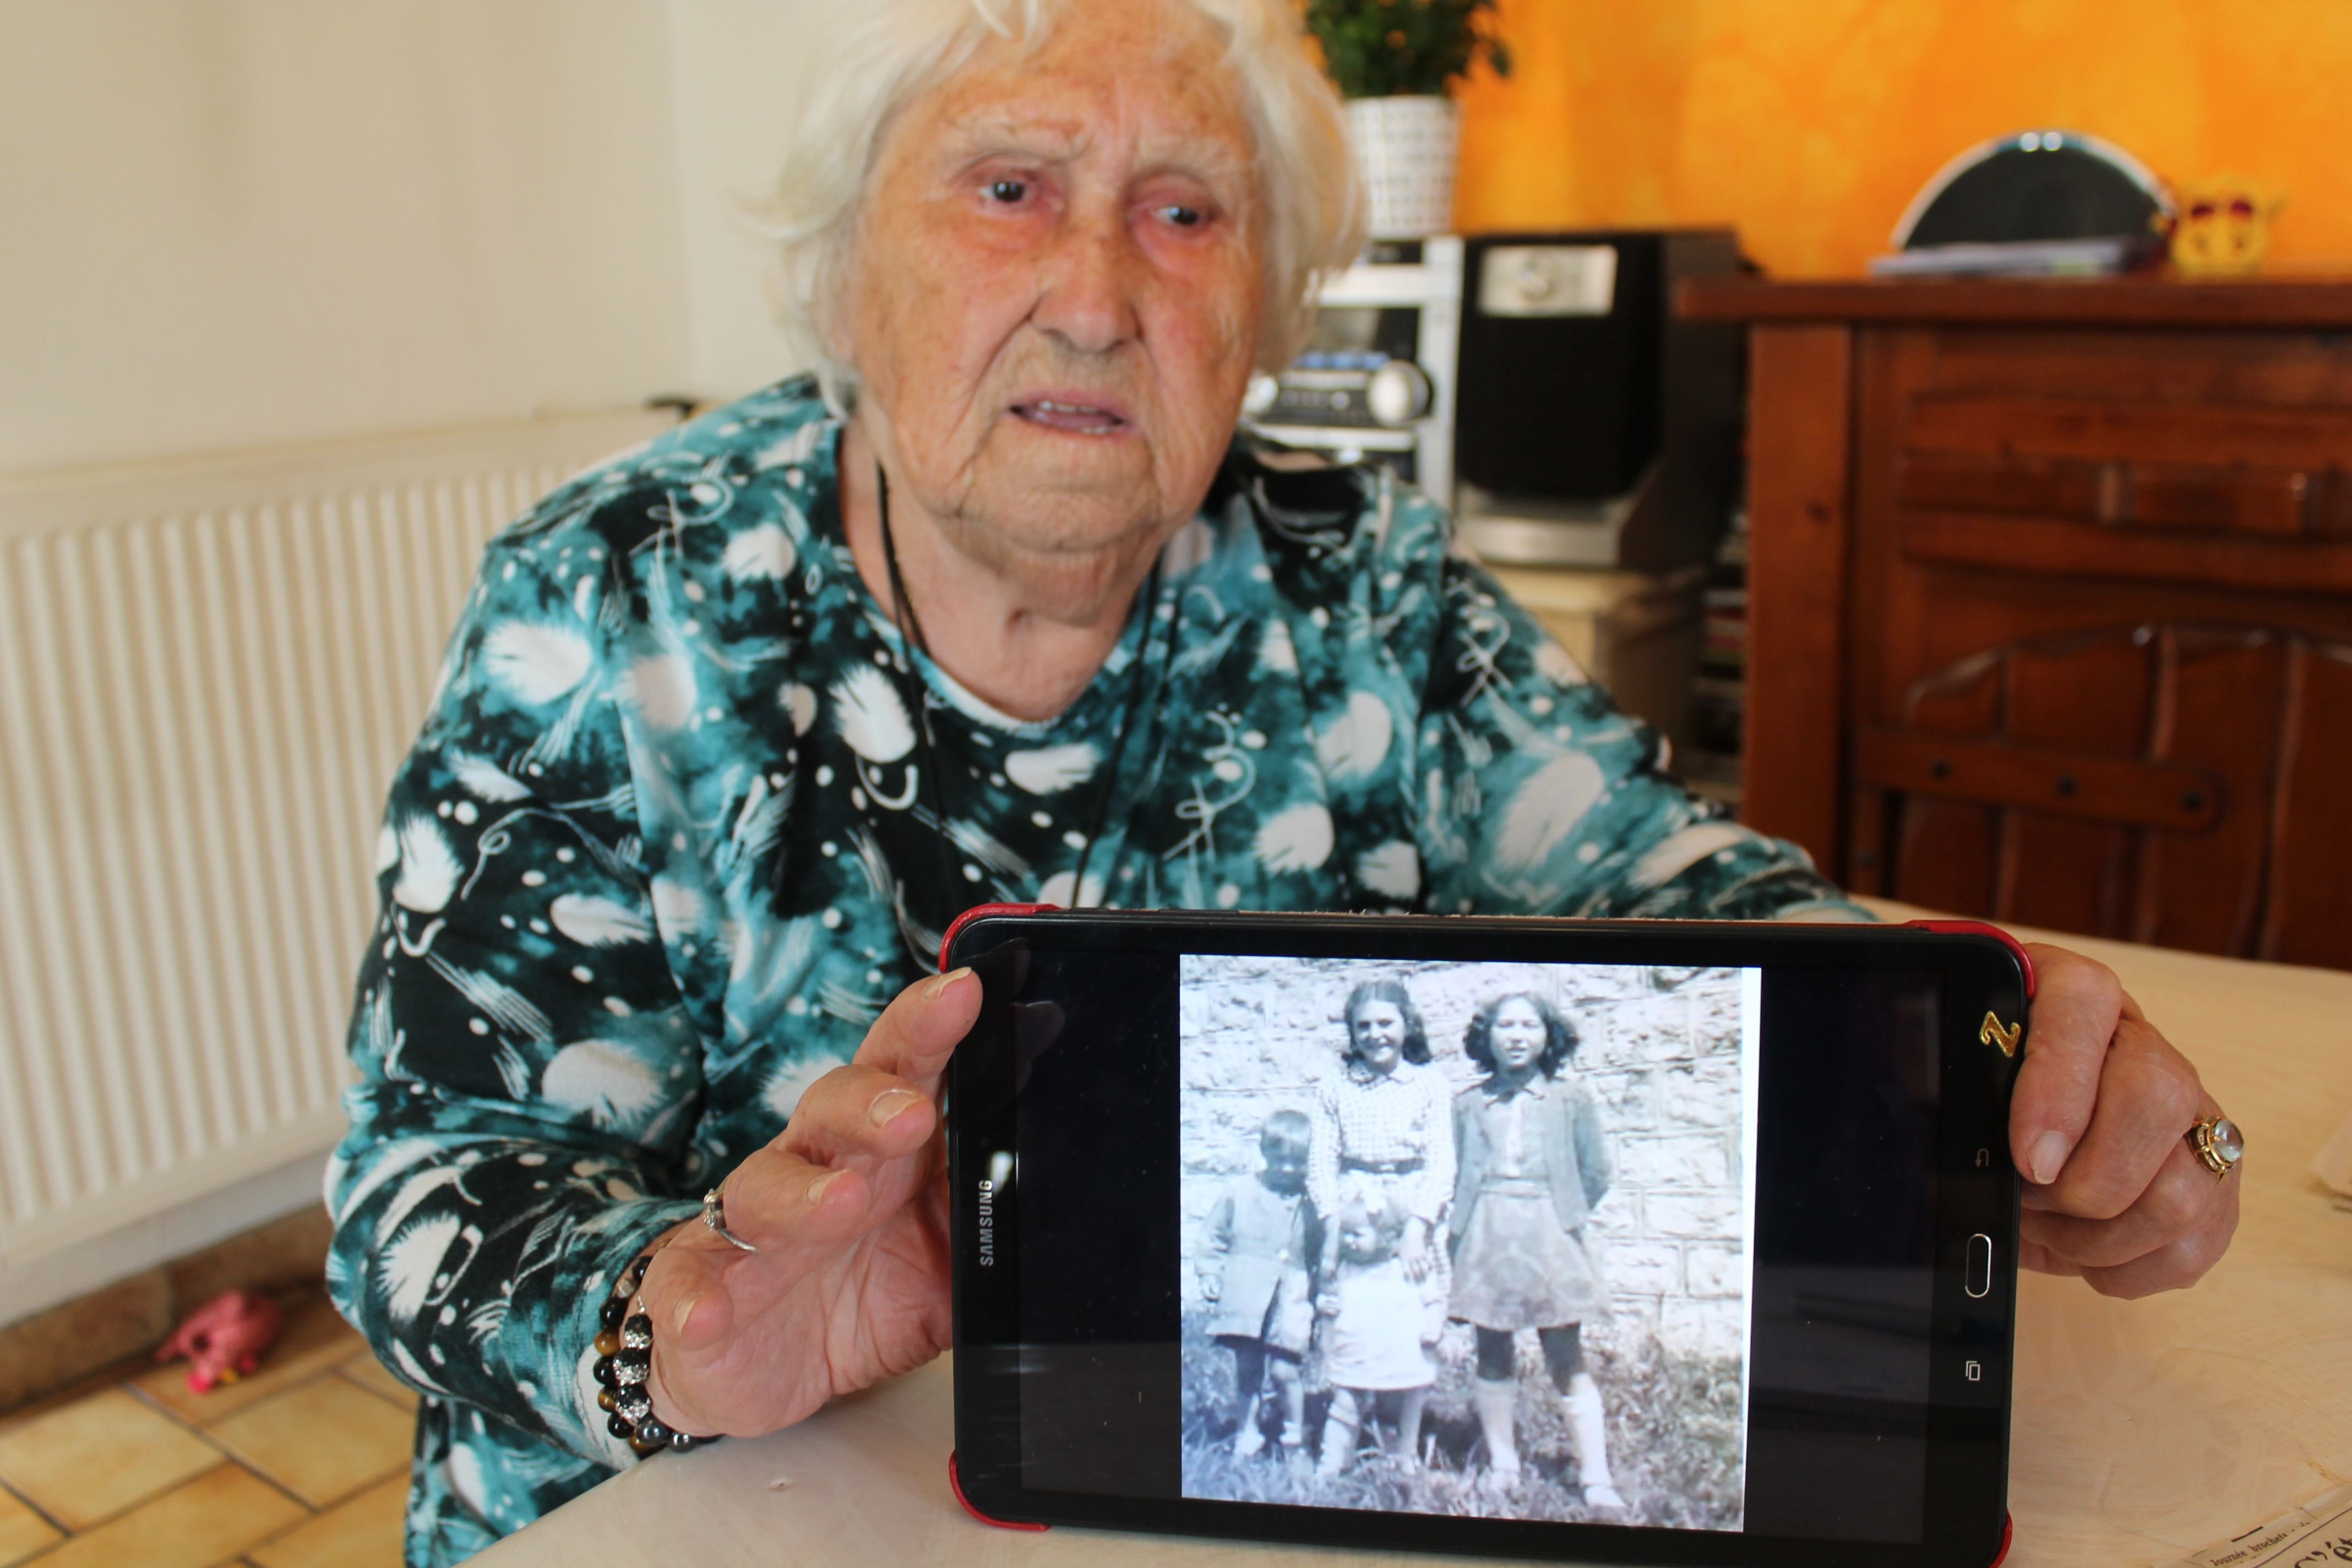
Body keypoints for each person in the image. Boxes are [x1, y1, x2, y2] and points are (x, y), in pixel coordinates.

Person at [322, 0, 2239, 1560]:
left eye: (1183, 213)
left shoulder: (1362, 587)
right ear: (845, 289)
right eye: (1009, 188)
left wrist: (1963, 1085)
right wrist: (683, 1320)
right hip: (708, 1507)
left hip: (1196, 1482)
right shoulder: (619, 596)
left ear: (1263, 322)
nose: (1093, 292)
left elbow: (1673, 888)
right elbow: (427, 1172)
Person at [1448, 992, 1620, 1512]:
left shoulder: (1572, 1101)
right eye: (1505, 1026)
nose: (1517, 1036)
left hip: (1551, 1231)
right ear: (1487, 1038)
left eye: (1529, 1026)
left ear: (1549, 1037)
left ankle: (1595, 1476)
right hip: (1487, 1232)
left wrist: (1563, 1211)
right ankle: (1504, 1465)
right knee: (1493, 1347)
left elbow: (1596, 1171)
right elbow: (1460, 1170)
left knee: (1565, 1350)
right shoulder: (1469, 1104)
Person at [1307, 981, 1455, 1304]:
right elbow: (1321, 1164)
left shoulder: (1430, 1084)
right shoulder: (1333, 1087)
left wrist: (1418, 1228)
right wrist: (1332, 1228)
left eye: (1386, 1023)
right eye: (1364, 1026)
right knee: (1357, 1307)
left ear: (1408, 1025)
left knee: (1416, 1304)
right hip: (1356, 1212)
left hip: (1414, 1207)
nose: (1375, 1035)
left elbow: (1441, 1163)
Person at [1196, 1108, 1319, 1459]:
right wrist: (1209, 1272)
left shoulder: (1311, 1200)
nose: (1289, 1169)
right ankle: (1246, 1431)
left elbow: (1320, 1251)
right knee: (1248, 1367)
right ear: (1264, 1151)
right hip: (1246, 1293)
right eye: (1281, 1160)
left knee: (1284, 1370)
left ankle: (1295, 1437)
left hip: (1291, 1296)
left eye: (1299, 1162)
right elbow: (1213, 1236)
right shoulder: (1240, 1191)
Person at [1313, 1182, 1445, 1479]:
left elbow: (1431, 1298)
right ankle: (1334, 1460)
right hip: (1357, 1352)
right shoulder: (1344, 1270)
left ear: (1387, 1237)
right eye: (1344, 1234)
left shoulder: (1408, 1268)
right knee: (1345, 1404)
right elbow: (1329, 1303)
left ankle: (1403, 1455)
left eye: (1357, 1235)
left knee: (1401, 1405)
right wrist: (1326, 1305)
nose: (1348, 1242)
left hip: (1400, 1353)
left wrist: (1433, 1323)